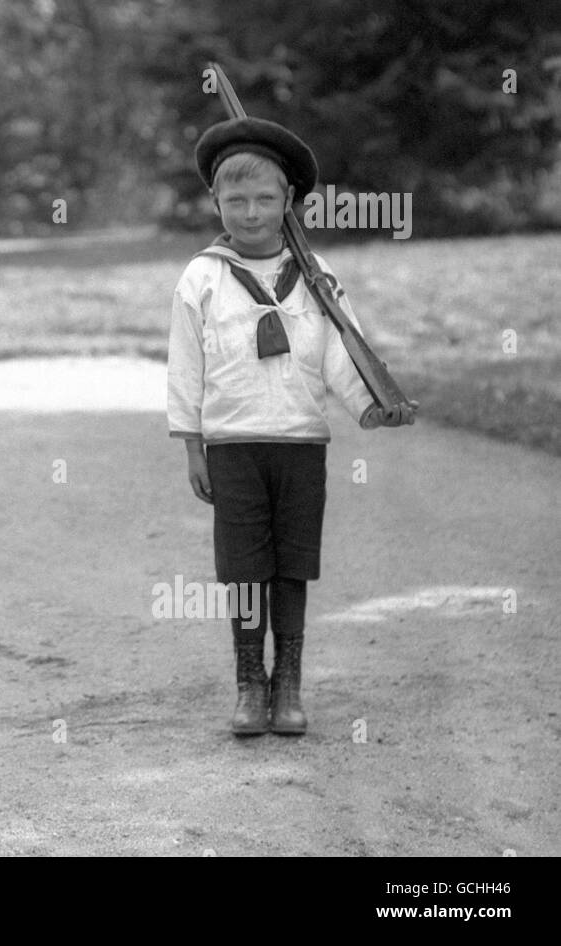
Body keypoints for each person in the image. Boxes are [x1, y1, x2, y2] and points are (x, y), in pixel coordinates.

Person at [166, 116, 417, 737]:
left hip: (300, 444)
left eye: (265, 199)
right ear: (215, 202)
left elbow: (341, 352)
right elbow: (185, 365)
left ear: (290, 203)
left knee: (292, 565)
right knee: (244, 571)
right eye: (236, 200)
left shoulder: (316, 278)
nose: (251, 213)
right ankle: (250, 684)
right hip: (233, 446)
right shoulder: (202, 277)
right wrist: (192, 445)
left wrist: (369, 405)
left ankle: (289, 685)